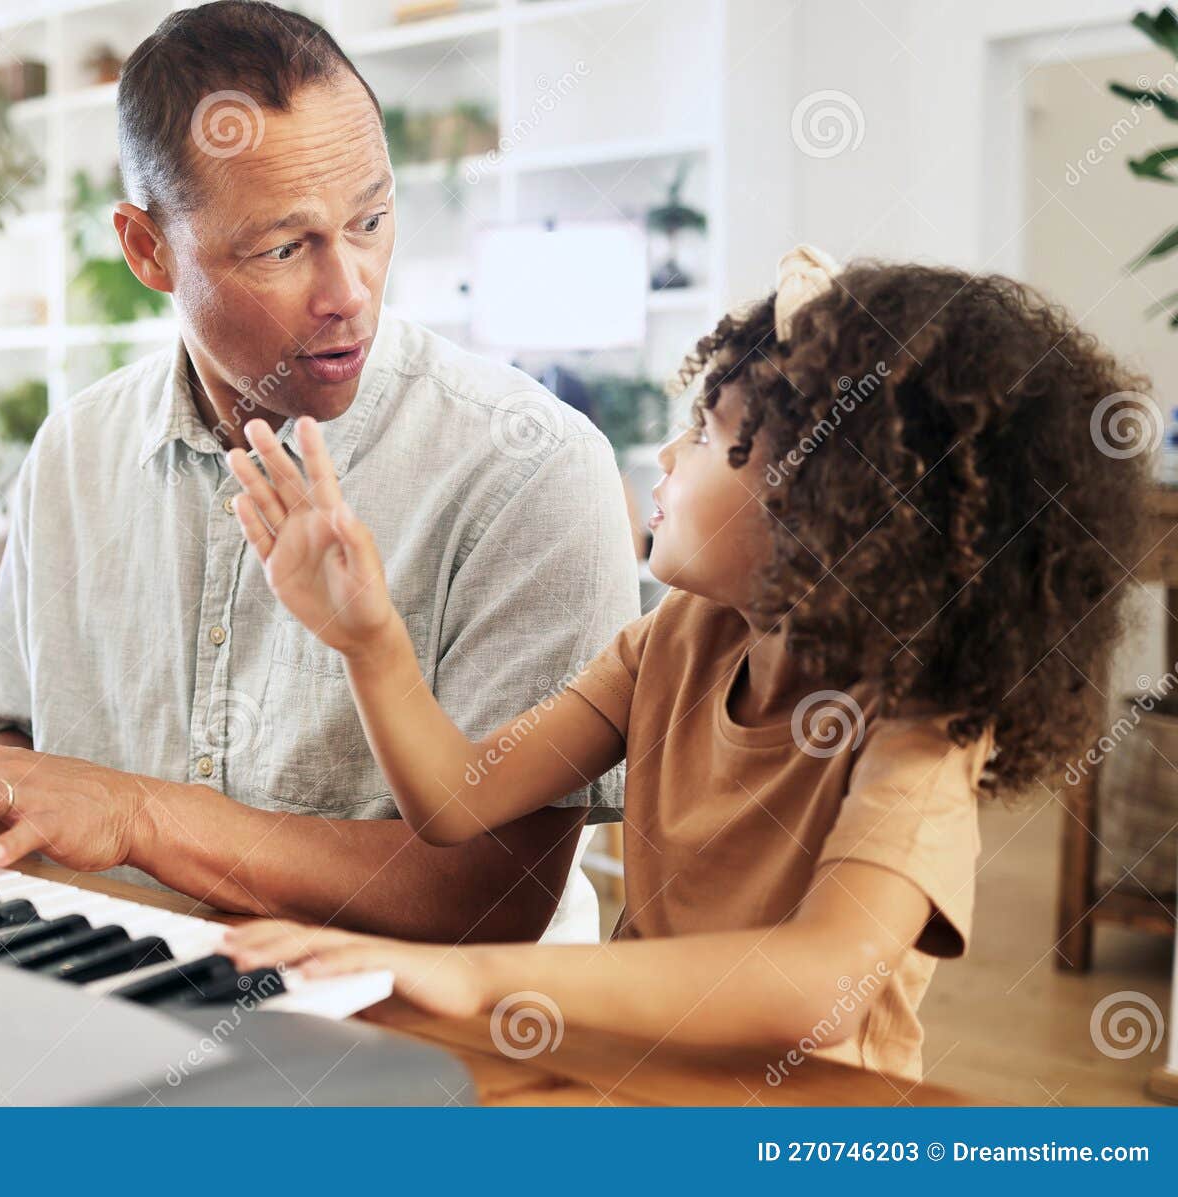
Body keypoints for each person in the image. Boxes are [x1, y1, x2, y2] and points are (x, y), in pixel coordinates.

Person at [0, 1, 639, 944]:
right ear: (147, 249)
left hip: (414, 1041)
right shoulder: (74, 450)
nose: (349, 292)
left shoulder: (531, 468)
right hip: (109, 975)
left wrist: (145, 814)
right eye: (285, 247)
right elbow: (38, 774)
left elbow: (490, 898)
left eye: (370, 223)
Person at [220, 249, 1148, 1079]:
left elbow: (811, 978)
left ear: (835, 501)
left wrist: (474, 974)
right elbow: (457, 799)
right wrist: (369, 638)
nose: (665, 456)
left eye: (707, 433)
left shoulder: (919, 728)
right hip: (635, 1079)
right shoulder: (676, 637)